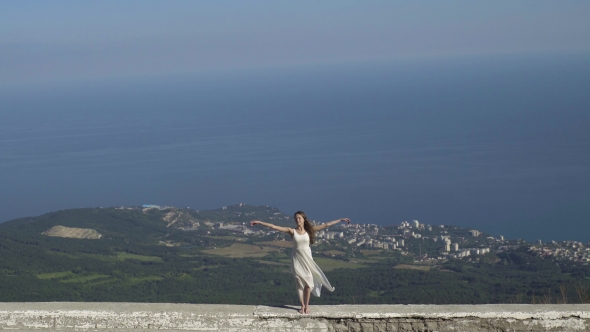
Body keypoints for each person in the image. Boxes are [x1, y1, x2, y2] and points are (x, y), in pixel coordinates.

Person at [250, 211, 351, 314]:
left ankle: (307, 305)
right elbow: (274, 227)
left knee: (309, 283)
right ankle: (302, 306)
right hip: (296, 259)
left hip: (307, 259)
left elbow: (326, 225)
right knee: (299, 283)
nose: (297, 220)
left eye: (299, 218)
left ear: (303, 219)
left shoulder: (309, 230)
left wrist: (340, 220)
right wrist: (259, 222)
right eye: (296, 218)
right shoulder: (292, 231)